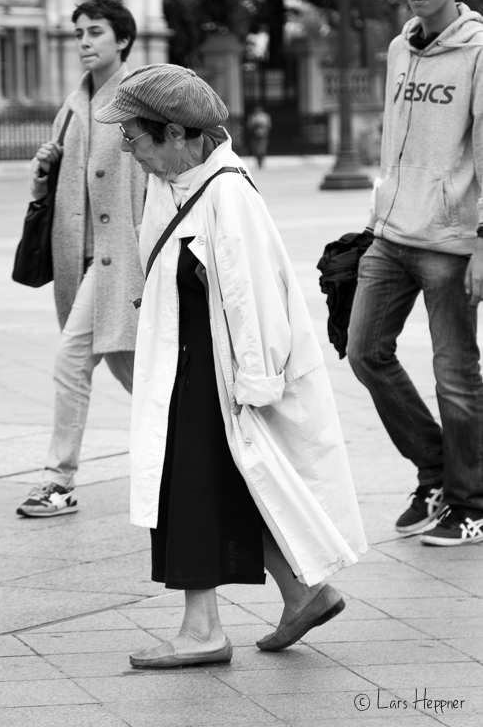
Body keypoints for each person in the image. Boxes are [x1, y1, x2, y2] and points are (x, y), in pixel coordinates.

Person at [95, 63, 367, 669]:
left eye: (134, 136)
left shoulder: (226, 192)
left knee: (187, 489)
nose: (126, 148)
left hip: (217, 375)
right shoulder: (175, 181)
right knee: (228, 484)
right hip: (190, 364)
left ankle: (203, 630)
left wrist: (256, 385)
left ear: (174, 132)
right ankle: (305, 592)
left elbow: (254, 298)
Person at [347, 0, 483, 547]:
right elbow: (393, 144)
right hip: (392, 234)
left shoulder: (478, 50)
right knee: (363, 350)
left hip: (452, 241)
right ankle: (435, 470)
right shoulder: (401, 49)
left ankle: (471, 502)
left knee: (456, 374)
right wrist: (376, 219)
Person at [17, 0, 145, 518]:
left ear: (123, 41)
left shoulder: (140, 98)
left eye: (95, 32)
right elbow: (59, 189)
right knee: (135, 372)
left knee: (72, 359)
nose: (85, 42)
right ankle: (218, 449)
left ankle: (57, 480)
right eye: (78, 33)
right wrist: (44, 170)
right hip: (80, 261)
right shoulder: (71, 107)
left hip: (121, 261)